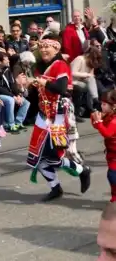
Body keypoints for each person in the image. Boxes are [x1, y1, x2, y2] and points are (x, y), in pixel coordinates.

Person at [27, 36, 92, 202]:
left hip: (59, 115)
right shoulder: (39, 68)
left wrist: (43, 82)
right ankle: (55, 188)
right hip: (43, 115)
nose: (43, 50)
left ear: (56, 49)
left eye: (47, 47)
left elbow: (61, 88)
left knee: (55, 157)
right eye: (41, 48)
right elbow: (37, 96)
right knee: (38, 159)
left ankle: (81, 170)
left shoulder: (60, 65)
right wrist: (29, 86)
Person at [91, 90, 116, 202]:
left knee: (112, 175)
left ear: (113, 106)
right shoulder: (109, 116)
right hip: (111, 153)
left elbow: (107, 133)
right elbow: (99, 128)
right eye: (101, 103)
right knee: (112, 176)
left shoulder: (114, 120)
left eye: (104, 104)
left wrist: (98, 122)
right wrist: (95, 120)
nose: (101, 106)